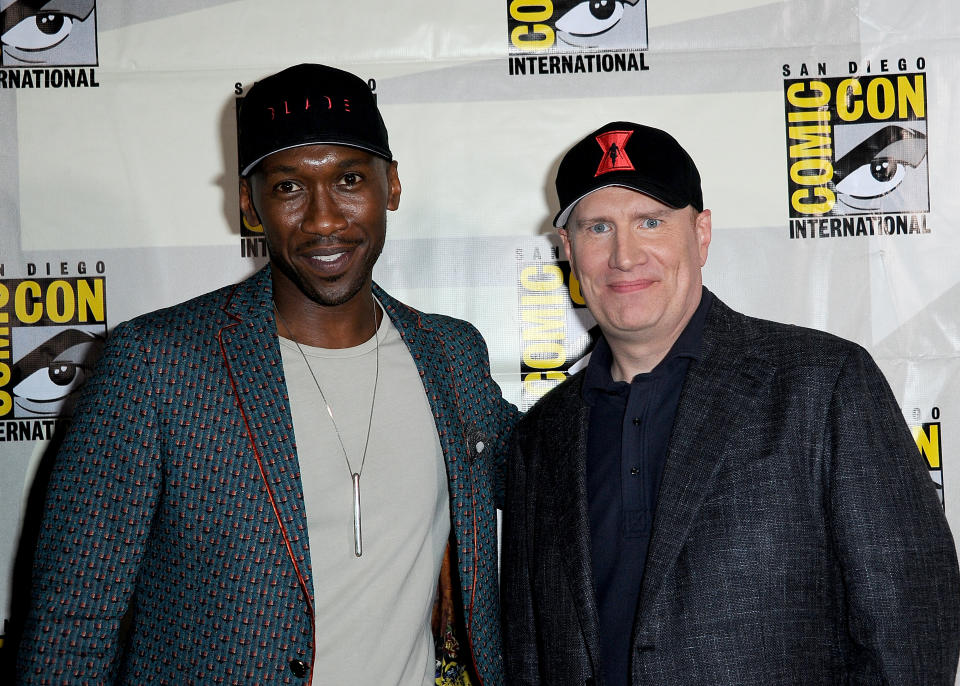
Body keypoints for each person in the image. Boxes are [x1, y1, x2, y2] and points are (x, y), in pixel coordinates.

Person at [16, 63, 518, 685]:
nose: (324, 219)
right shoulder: (156, 365)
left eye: (351, 179)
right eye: (288, 188)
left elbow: (554, 474)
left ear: (392, 186)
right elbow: (73, 620)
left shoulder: (450, 355)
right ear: (249, 204)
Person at [500, 120, 960, 685]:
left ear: (701, 234)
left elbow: (912, 630)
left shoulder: (822, 384)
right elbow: (529, 659)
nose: (624, 256)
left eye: (650, 222)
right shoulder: (540, 438)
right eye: (599, 227)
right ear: (568, 249)